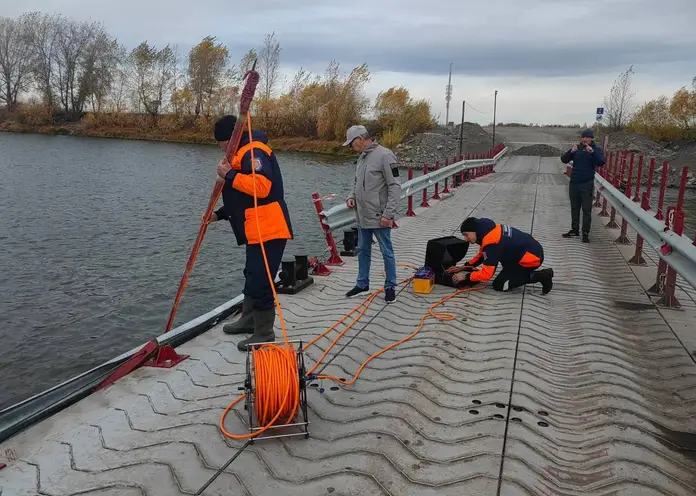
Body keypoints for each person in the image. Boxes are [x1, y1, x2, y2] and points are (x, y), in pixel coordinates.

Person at [204, 115, 293, 351]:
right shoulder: (241, 153)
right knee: (252, 274)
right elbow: (243, 200)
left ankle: (264, 332)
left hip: (270, 228)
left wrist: (229, 175)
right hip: (257, 229)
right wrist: (218, 215)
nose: (219, 147)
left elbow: (261, 187)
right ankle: (248, 319)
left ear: (227, 138)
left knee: (262, 280)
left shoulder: (254, 151)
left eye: (219, 141)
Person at [343, 124, 400, 303]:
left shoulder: (385, 155)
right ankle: (362, 284)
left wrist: (388, 214)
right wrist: (352, 197)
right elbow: (357, 182)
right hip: (362, 215)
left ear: (360, 139)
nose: (351, 148)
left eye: (351, 144)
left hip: (379, 216)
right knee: (363, 250)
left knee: (386, 251)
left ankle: (390, 286)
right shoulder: (362, 158)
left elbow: (395, 186)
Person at [447, 217, 554, 294]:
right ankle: (516, 271)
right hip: (527, 250)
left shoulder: (493, 243)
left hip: (531, 259)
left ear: (475, 231)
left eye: (466, 235)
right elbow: (482, 255)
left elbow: (486, 275)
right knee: (503, 267)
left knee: (500, 285)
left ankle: (542, 276)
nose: (466, 239)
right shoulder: (489, 231)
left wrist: (465, 276)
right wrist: (463, 267)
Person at [560, 128, 606, 243]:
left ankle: (585, 232)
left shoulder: (595, 149)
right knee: (574, 208)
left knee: (586, 209)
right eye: (583, 137)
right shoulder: (577, 148)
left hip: (586, 184)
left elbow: (601, 162)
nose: (585, 139)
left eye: (587, 137)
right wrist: (571, 151)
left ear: (591, 139)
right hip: (574, 182)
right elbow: (564, 160)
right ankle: (574, 229)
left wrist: (592, 152)